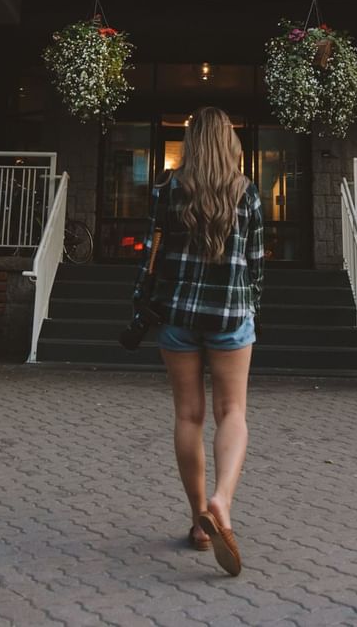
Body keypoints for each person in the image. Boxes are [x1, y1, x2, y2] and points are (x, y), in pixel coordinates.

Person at [131, 106, 264, 577]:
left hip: (178, 316)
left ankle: (199, 525)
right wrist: (252, 309)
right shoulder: (246, 192)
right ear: (228, 141)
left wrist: (139, 304)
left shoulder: (168, 190)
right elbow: (256, 262)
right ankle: (221, 501)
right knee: (234, 414)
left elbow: (152, 252)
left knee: (188, 415)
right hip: (230, 315)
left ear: (191, 143)